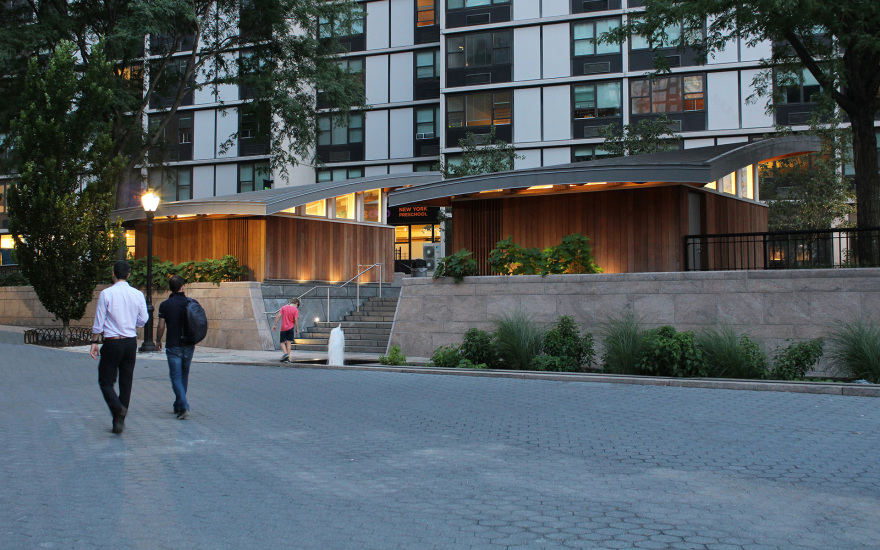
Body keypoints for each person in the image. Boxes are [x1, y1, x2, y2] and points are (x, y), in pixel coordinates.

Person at [91, 260, 149, 434]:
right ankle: (119, 420)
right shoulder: (137, 294)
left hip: (112, 341)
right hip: (130, 341)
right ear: (129, 274)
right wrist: (133, 323)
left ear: (113, 273)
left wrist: (94, 342)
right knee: (126, 382)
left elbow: (99, 320)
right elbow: (143, 319)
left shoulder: (106, 294)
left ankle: (117, 408)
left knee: (105, 381)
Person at [155, 275, 194, 419]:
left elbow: (160, 326)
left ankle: (183, 405)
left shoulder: (165, 305)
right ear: (182, 286)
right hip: (188, 345)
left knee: (176, 377)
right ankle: (179, 404)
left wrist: (158, 340)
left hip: (173, 345)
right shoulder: (190, 303)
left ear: (170, 288)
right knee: (184, 376)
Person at [272, 297, 300, 363]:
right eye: (297, 305)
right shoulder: (295, 310)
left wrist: (275, 325)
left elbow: (278, 316)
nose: (297, 306)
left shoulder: (283, 307)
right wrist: (297, 329)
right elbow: (296, 320)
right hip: (291, 328)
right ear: (296, 303)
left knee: (282, 342)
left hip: (283, 328)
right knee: (289, 342)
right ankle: (288, 357)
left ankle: (285, 354)